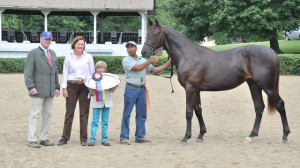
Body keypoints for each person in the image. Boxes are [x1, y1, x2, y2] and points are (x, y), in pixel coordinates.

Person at [120, 41, 172, 145]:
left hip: (142, 89)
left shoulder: (143, 60)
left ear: (136, 48)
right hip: (131, 88)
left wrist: (169, 62)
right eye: (128, 47)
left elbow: (155, 70)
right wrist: (150, 61)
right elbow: (137, 68)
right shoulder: (126, 60)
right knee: (127, 113)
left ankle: (140, 136)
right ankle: (124, 137)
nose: (130, 49)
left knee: (142, 114)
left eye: (132, 47)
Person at [24, 31, 60, 148]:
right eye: (45, 39)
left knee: (47, 115)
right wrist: (30, 86)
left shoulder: (53, 53)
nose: (47, 41)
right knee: (34, 115)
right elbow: (28, 73)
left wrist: (57, 87)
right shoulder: (33, 53)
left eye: (49, 39)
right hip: (37, 90)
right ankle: (32, 139)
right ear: (40, 39)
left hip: (50, 91)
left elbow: (54, 72)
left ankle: (44, 138)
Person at [57, 36, 95, 146]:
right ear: (74, 44)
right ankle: (64, 138)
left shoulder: (88, 57)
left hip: (85, 86)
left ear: (84, 46)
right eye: (78, 44)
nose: (80, 46)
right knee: (69, 113)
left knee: (84, 113)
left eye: (82, 44)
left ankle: (83, 138)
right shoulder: (68, 57)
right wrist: (64, 88)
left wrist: (92, 89)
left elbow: (92, 74)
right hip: (71, 86)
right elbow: (65, 73)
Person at [87, 61, 119, 147]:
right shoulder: (93, 79)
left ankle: (104, 139)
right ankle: (92, 139)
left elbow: (112, 90)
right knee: (95, 121)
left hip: (107, 103)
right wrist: (89, 88)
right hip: (96, 103)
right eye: (98, 68)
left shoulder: (109, 79)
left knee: (105, 122)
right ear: (96, 69)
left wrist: (116, 83)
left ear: (105, 69)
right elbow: (92, 91)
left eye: (102, 68)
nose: (100, 69)